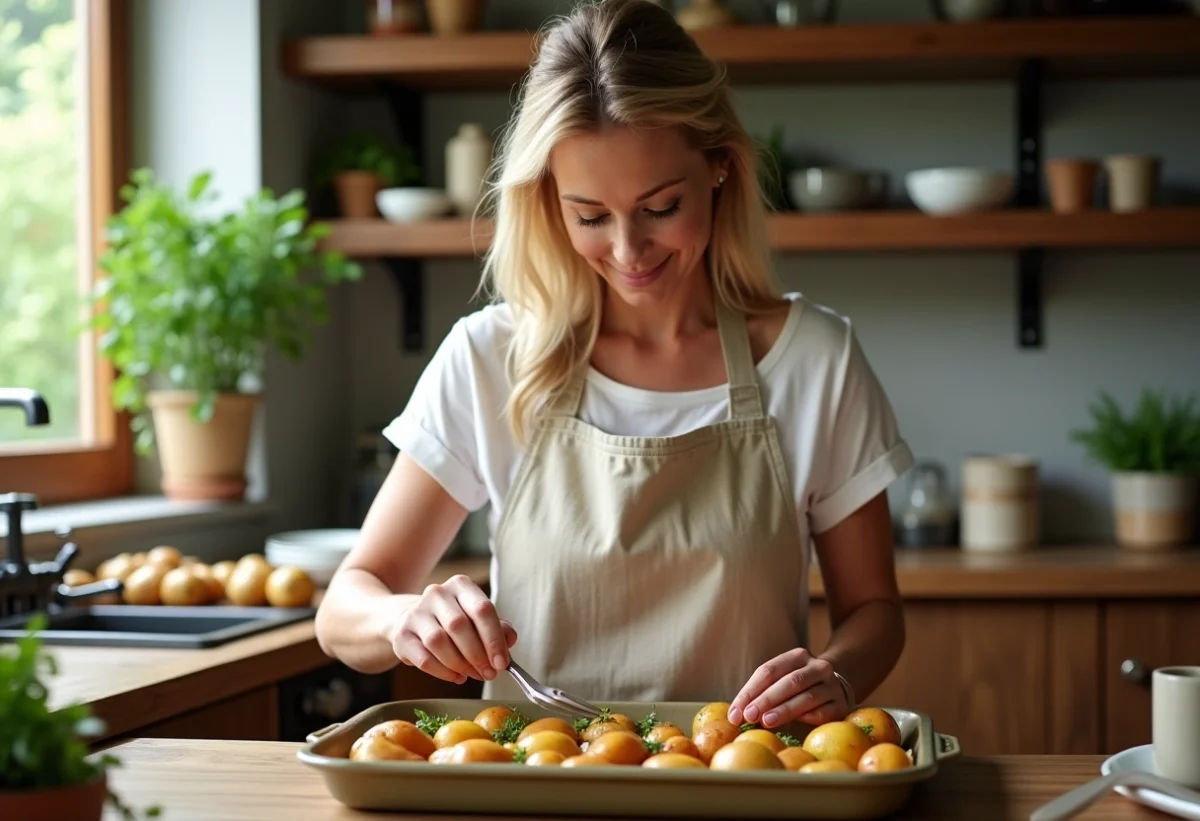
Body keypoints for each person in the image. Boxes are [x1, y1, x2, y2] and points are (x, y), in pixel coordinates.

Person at [315, 0, 913, 731]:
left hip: (743, 783)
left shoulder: (814, 359)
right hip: (534, 788)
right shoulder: (490, 358)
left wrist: (836, 675)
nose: (629, 251)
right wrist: (405, 617)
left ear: (719, 168)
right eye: (590, 216)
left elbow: (875, 612)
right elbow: (346, 604)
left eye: (661, 206)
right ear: (548, 203)